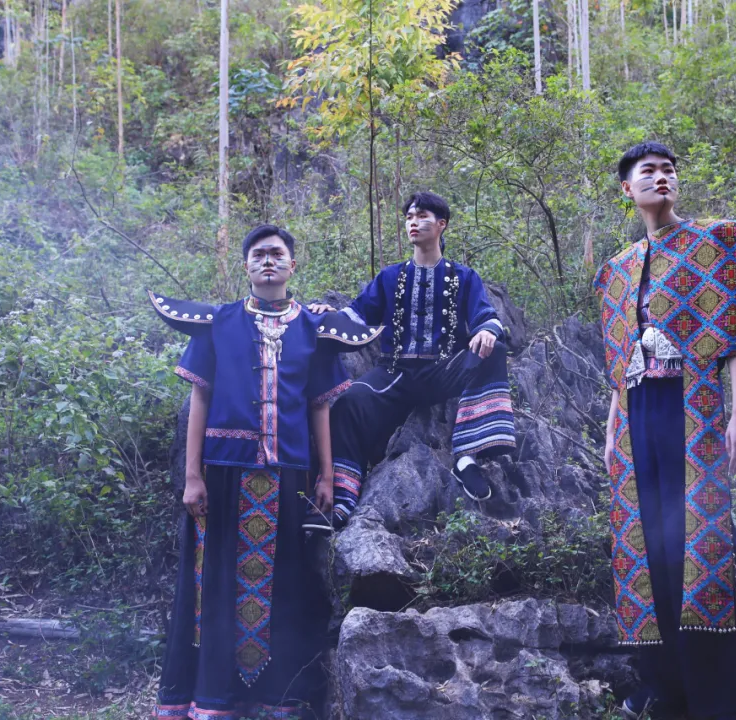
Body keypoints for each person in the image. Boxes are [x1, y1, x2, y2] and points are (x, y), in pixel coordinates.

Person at [150, 225, 381, 720]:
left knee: (286, 589)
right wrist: (192, 476)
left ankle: (276, 699)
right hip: (223, 473)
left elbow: (320, 407)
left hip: (289, 476)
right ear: (246, 266)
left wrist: (325, 475)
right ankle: (213, 699)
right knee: (214, 584)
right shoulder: (219, 324)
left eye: (277, 254)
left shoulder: (312, 330)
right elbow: (199, 398)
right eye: (259, 254)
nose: (268, 261)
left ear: (293, 266)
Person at [593, 143, 736, 720]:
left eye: (668, 170)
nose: (661, 178)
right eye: (648, 172)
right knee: (647, 544)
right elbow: (620, 360)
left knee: (699, 542)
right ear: (628, 189)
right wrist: (613, 425)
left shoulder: (712, 245)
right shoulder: (618, 270)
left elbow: (735, 337)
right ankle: (665, 690)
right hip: (636, 417)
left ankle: (717, 701)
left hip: (691, 410)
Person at [304, 191, 516, 531]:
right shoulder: (390, 277)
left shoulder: (464, 276)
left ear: (442, 224)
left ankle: (467, 457)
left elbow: (485, 316)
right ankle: (341, 501)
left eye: (422, 216)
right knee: (348, 402)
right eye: (409, 218)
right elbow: (356, 316)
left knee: (495, 349)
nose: (413, 223)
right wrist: (326, 314)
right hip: (395, 374)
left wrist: (487, 331)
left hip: (444, 371)